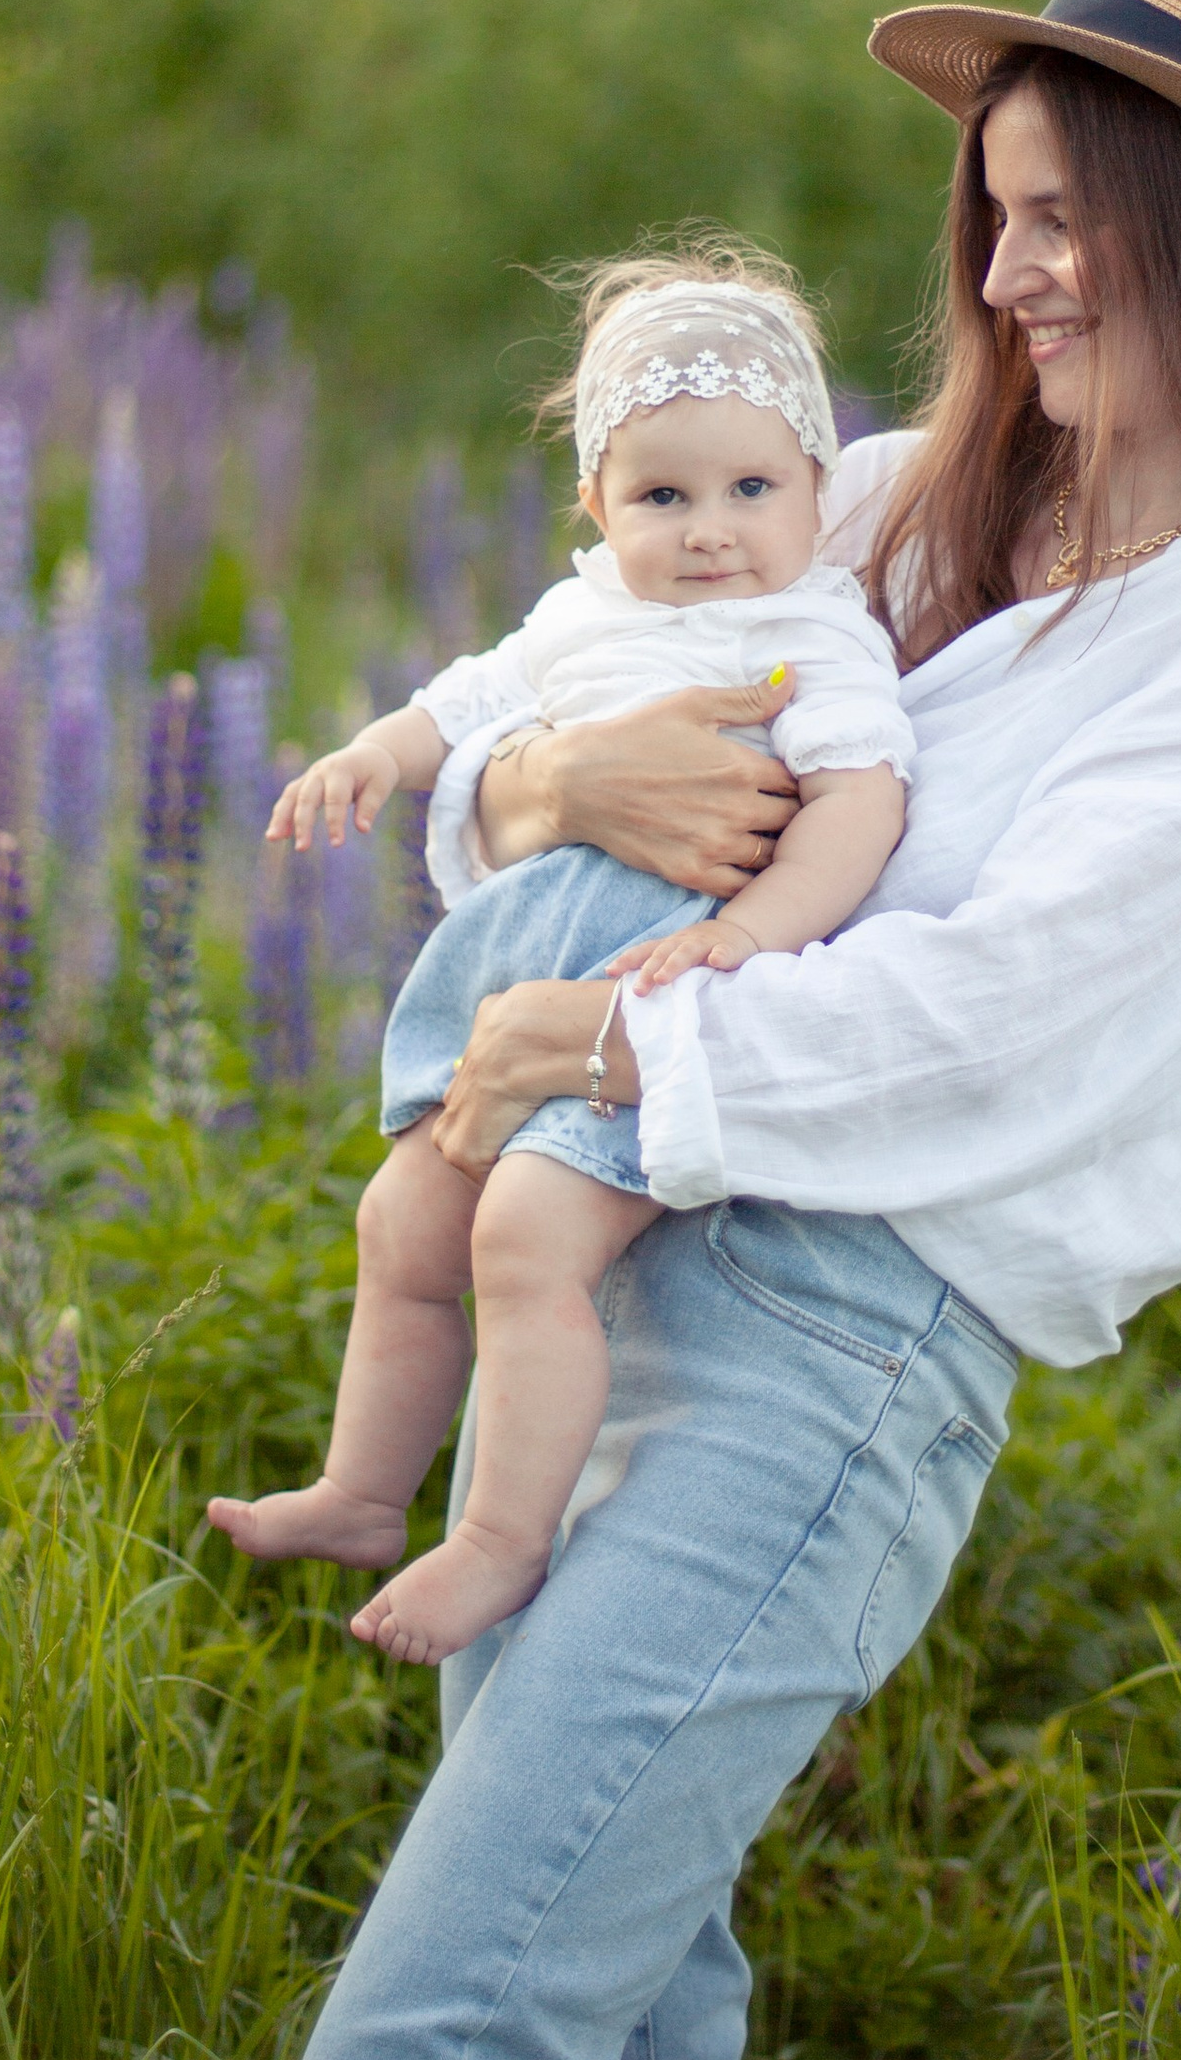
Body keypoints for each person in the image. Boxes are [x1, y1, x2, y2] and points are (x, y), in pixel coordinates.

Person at [275, 0, 1181, 2060]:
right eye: (991, 212)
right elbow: (561, 730)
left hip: (828, 1350)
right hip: (582, 1294)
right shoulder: (902, 497)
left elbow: (998, 1015)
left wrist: (597, 1053)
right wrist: (529, 789)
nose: (1003, 272)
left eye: (1058, 218)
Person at [209, 255, 913, 1664]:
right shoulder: (581, 620)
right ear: (595, 505)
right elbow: (457, 709)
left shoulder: (814, 637)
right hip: (510, 984)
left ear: (817, 494)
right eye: (662, 496)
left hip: (655, 997)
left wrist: (749, 931)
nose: (711, 532)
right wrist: (366, 758)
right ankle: (361, 1491)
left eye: (751, 491)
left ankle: (499, 1541)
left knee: (525, 1237)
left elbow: (861, 802)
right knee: (406, 1226)